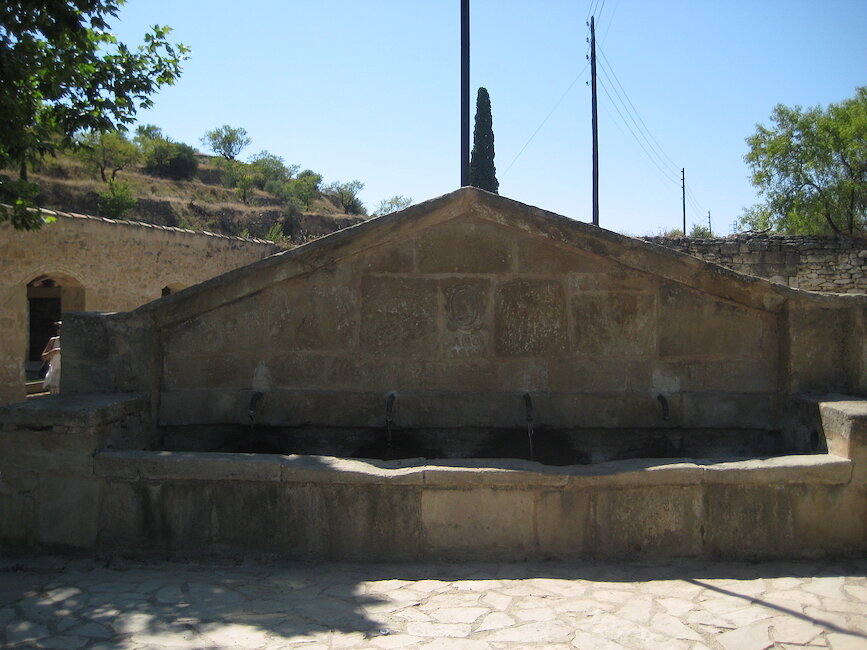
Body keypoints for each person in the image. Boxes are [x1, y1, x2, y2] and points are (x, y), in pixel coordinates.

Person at [41, 321, 61, 394]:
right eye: (58, 328)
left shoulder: (72, 341)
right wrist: (53, 352)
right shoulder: (53, 341)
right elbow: (43, 357)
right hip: (54, 372)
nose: (59, 330)